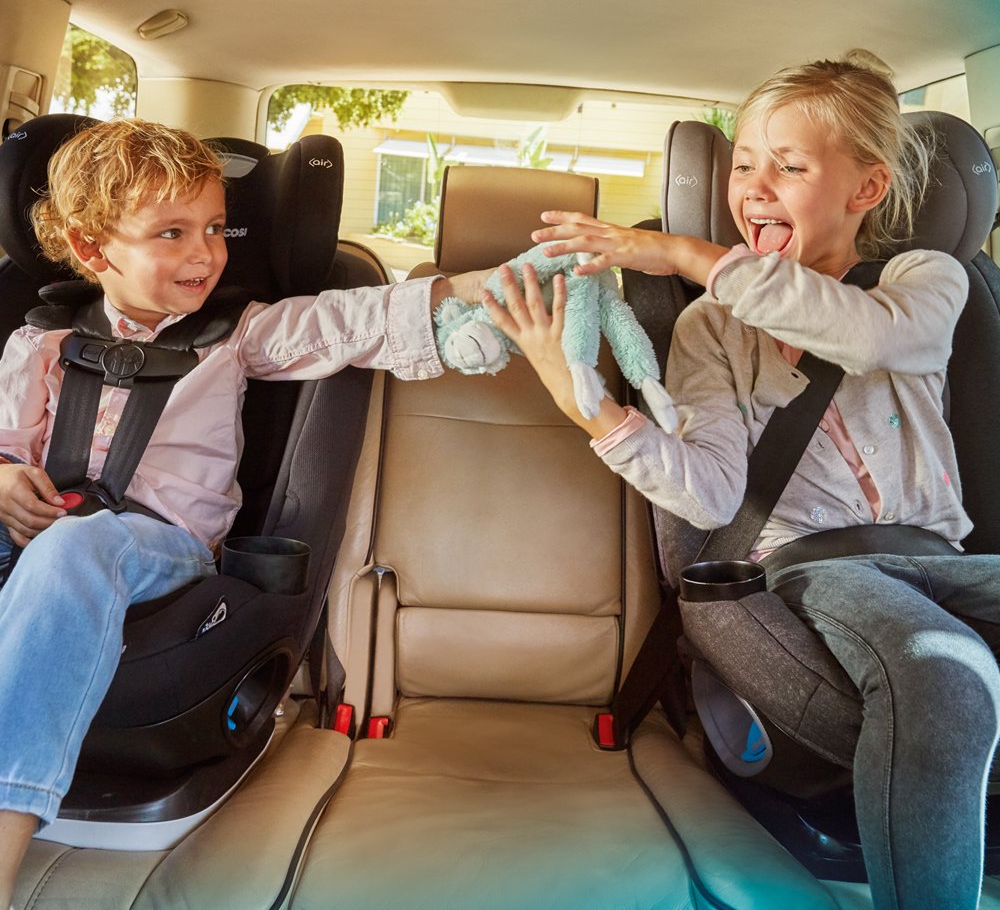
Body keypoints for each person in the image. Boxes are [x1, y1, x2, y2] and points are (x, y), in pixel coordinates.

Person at [483, 50, 1000, 909]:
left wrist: (687, 254)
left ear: (867, 188)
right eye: (744, 166)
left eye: (789, 167)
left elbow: (873, 341)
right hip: (821, 565)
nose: (755, 190)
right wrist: (593, 411)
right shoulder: (711, 329)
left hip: (944, 556)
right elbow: (712, 496)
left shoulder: (923, 281)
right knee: (942, 670)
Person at [0, 118, 486, 908]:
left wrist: (482, 288)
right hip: (43, 530)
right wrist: (5, 483)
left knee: (76, 550)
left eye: (216, 228)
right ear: (91, 248)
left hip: (159, 547)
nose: (206, 253)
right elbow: (7, 446)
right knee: (55, 545)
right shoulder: (40, 344)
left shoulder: (238, 334)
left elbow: (355, 322)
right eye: (172, 233)